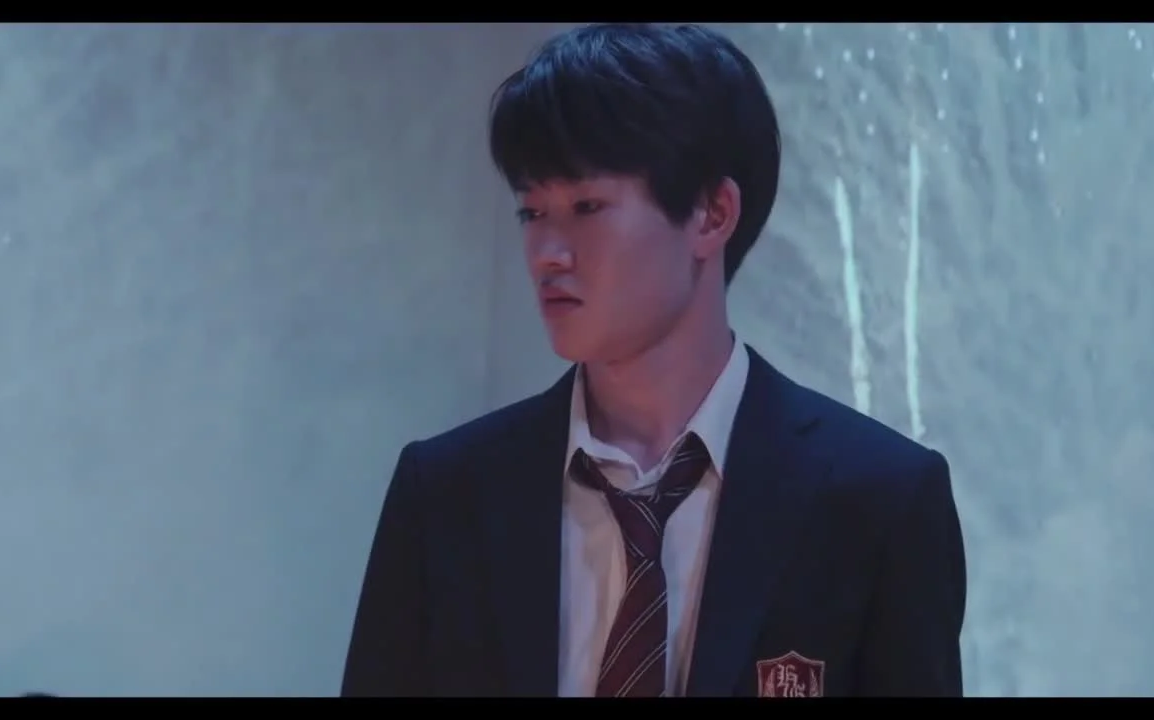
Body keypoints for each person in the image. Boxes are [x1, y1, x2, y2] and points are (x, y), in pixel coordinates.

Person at [341, 22, 966, 698]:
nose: (547, 253)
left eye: (586, 206)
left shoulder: (878, 501)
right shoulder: (447, 494)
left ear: (711, 214)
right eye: (531, 214)